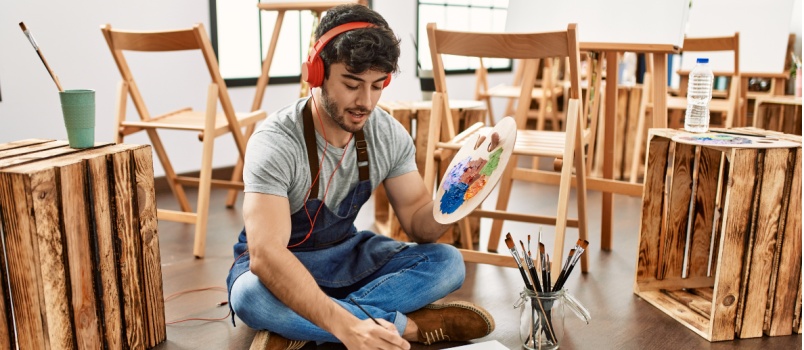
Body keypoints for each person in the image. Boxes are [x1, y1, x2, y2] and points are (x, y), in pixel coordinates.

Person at [226, 4, 495, 350]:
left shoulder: (387, 134)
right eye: (352, 84)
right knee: (250, 295)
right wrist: (349, 327)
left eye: (377, 85)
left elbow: (418, 223)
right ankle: (406, 326)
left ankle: (298, 328)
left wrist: (460, 195)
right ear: (317, 73)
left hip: (346, 256)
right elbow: (265, 256)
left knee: (448, 262)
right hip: (282, 261)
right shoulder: (275, 142)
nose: (365, 102)